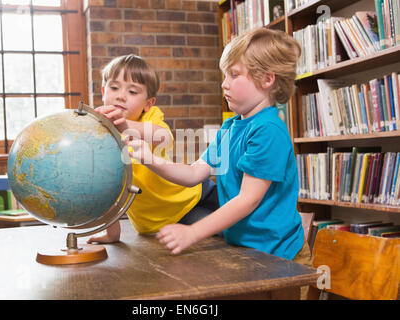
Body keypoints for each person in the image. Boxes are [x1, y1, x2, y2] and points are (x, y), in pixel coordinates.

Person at [124, 28, 312, 267]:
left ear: (267, 79)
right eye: (225, 75)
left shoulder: (268, 130)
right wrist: (151, 159)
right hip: (246, 252)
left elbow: (247, 200)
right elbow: (194, 174)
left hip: (281, 256)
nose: (224, 84)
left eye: (234, 74)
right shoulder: (230, 127)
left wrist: (193, 232)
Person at [87, 54, 219, 244]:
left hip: (194, 192)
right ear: (103, 91)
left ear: (148, 104)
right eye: (114, 87)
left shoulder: (149, 118)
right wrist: (111, 234)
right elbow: (106, 191)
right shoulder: (99, 138)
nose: (121, 96)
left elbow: (165, 136)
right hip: (162, 223)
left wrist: (125, 126)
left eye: (132, 92)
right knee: (228, 231)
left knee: (245, 212)